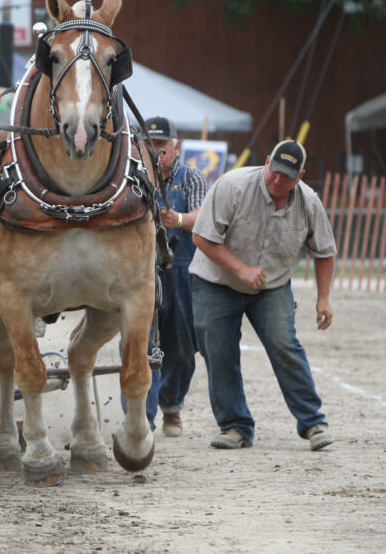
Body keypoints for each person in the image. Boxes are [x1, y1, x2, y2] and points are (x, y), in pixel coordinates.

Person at [190, 139, 337, 451]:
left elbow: (325, 251)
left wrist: (323, 298)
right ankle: (235, 426)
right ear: (267, 161)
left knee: (285, 346)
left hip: (271, 287)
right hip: (217, 280)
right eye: (274, 171)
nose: (277, 179)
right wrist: (241, 269)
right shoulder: (233, 186)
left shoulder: (309, 203)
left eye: (287, 176)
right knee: (219, 350)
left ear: (300, 176)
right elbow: (202, 236)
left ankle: (313, 423)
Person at [143, 117, 207, 438]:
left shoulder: (191, 177)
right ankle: (144, 418)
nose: (157, 152)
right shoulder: (138, 177)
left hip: (181, 269)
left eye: (162, 146)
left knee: (182, 345)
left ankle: (172, 407)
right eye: (151, 145)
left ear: (175, 146)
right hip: (143, 271)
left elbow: (200, 217)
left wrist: (177, 219)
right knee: (145, 344)